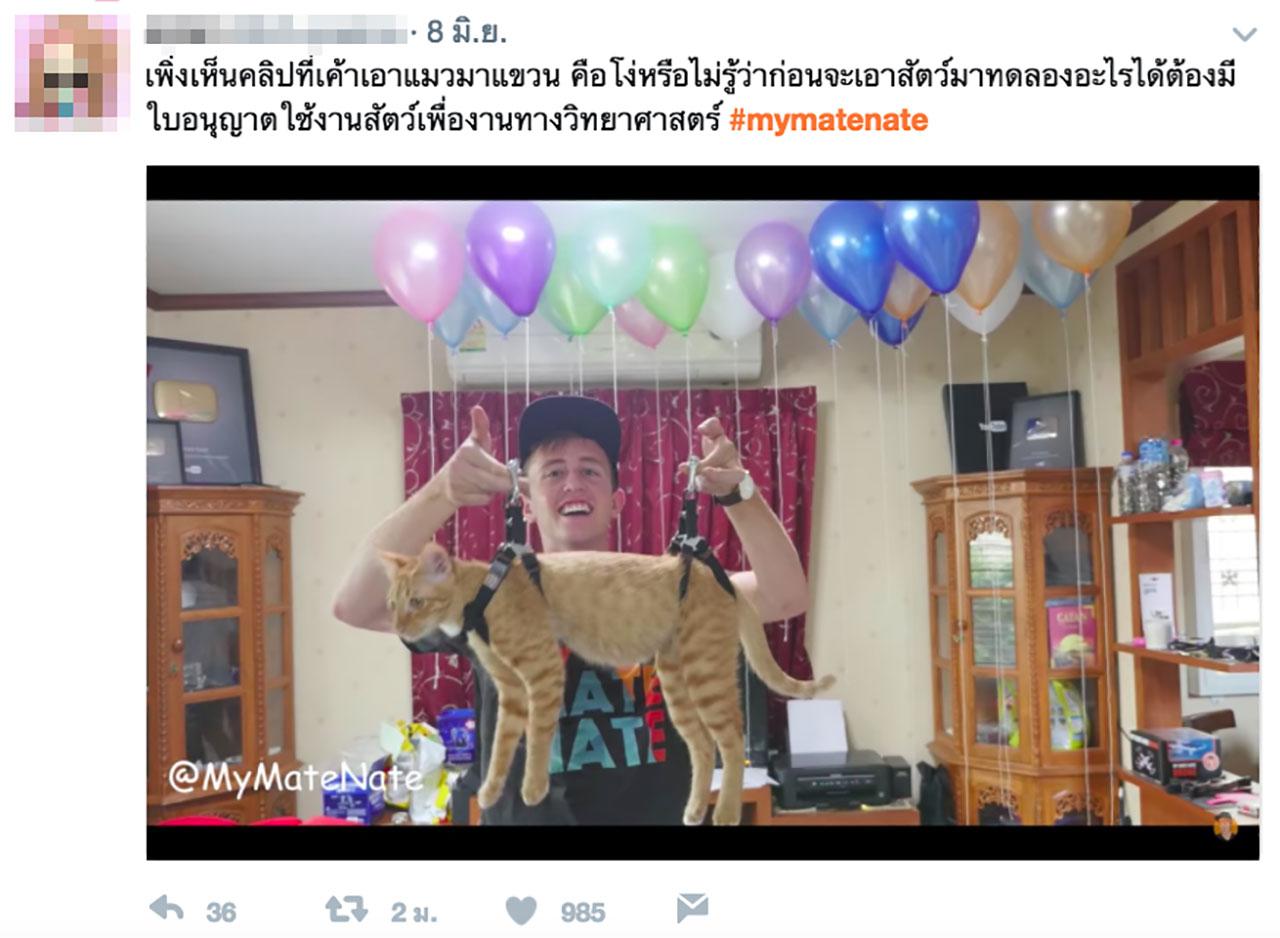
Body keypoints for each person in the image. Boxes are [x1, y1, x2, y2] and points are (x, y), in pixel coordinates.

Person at [333, 395, 809, 824]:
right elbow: (357, 604)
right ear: (526, 502)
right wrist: (443, 491)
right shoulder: (486, 596)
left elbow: (784, 594)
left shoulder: (668, 585)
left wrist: (738, 495)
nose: (573, 482)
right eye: (554, 472)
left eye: (590, 471)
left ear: (617, 502)